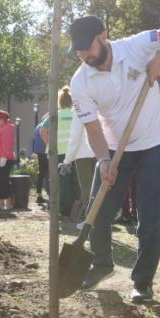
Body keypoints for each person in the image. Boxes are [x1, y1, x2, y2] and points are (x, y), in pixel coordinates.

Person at [69, 15, 160, 302]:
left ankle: (142, 282)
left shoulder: (138, 46)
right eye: (77, 51)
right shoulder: (80, 82)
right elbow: (92, 128)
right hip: (114, 149)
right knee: (98, 212)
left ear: (103, 36)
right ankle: (101, 264)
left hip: (154, 145)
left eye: (87, 47)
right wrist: (103, 160)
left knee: (150, 217)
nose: (83, 55)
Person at [41, 87, 79, 217]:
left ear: (59, 101)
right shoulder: (75, 114)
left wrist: (49, 144)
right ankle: (73, 209)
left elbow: (43, 130)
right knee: (72, 181)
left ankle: (60, 208)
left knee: (57, 181)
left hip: (56, 153)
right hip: (73, 153)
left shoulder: (55, 115)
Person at [61, 94, 96, 223]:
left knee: (87, 190)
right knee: (98, 189)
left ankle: (90, 222)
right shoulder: (97, 109)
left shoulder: (78, 112)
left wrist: (67, 160)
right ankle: (99, 220)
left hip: (83, 156)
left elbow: (74, 137)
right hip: (99, 153)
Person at [31, 116, 48, 205]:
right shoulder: (46, 125)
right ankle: (49, 195)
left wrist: (34, 151)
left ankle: (39, 195)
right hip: (46, 151)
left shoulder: (37, 126)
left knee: (41, 173)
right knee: (49, 173)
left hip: (39, 152)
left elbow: (33, 140)